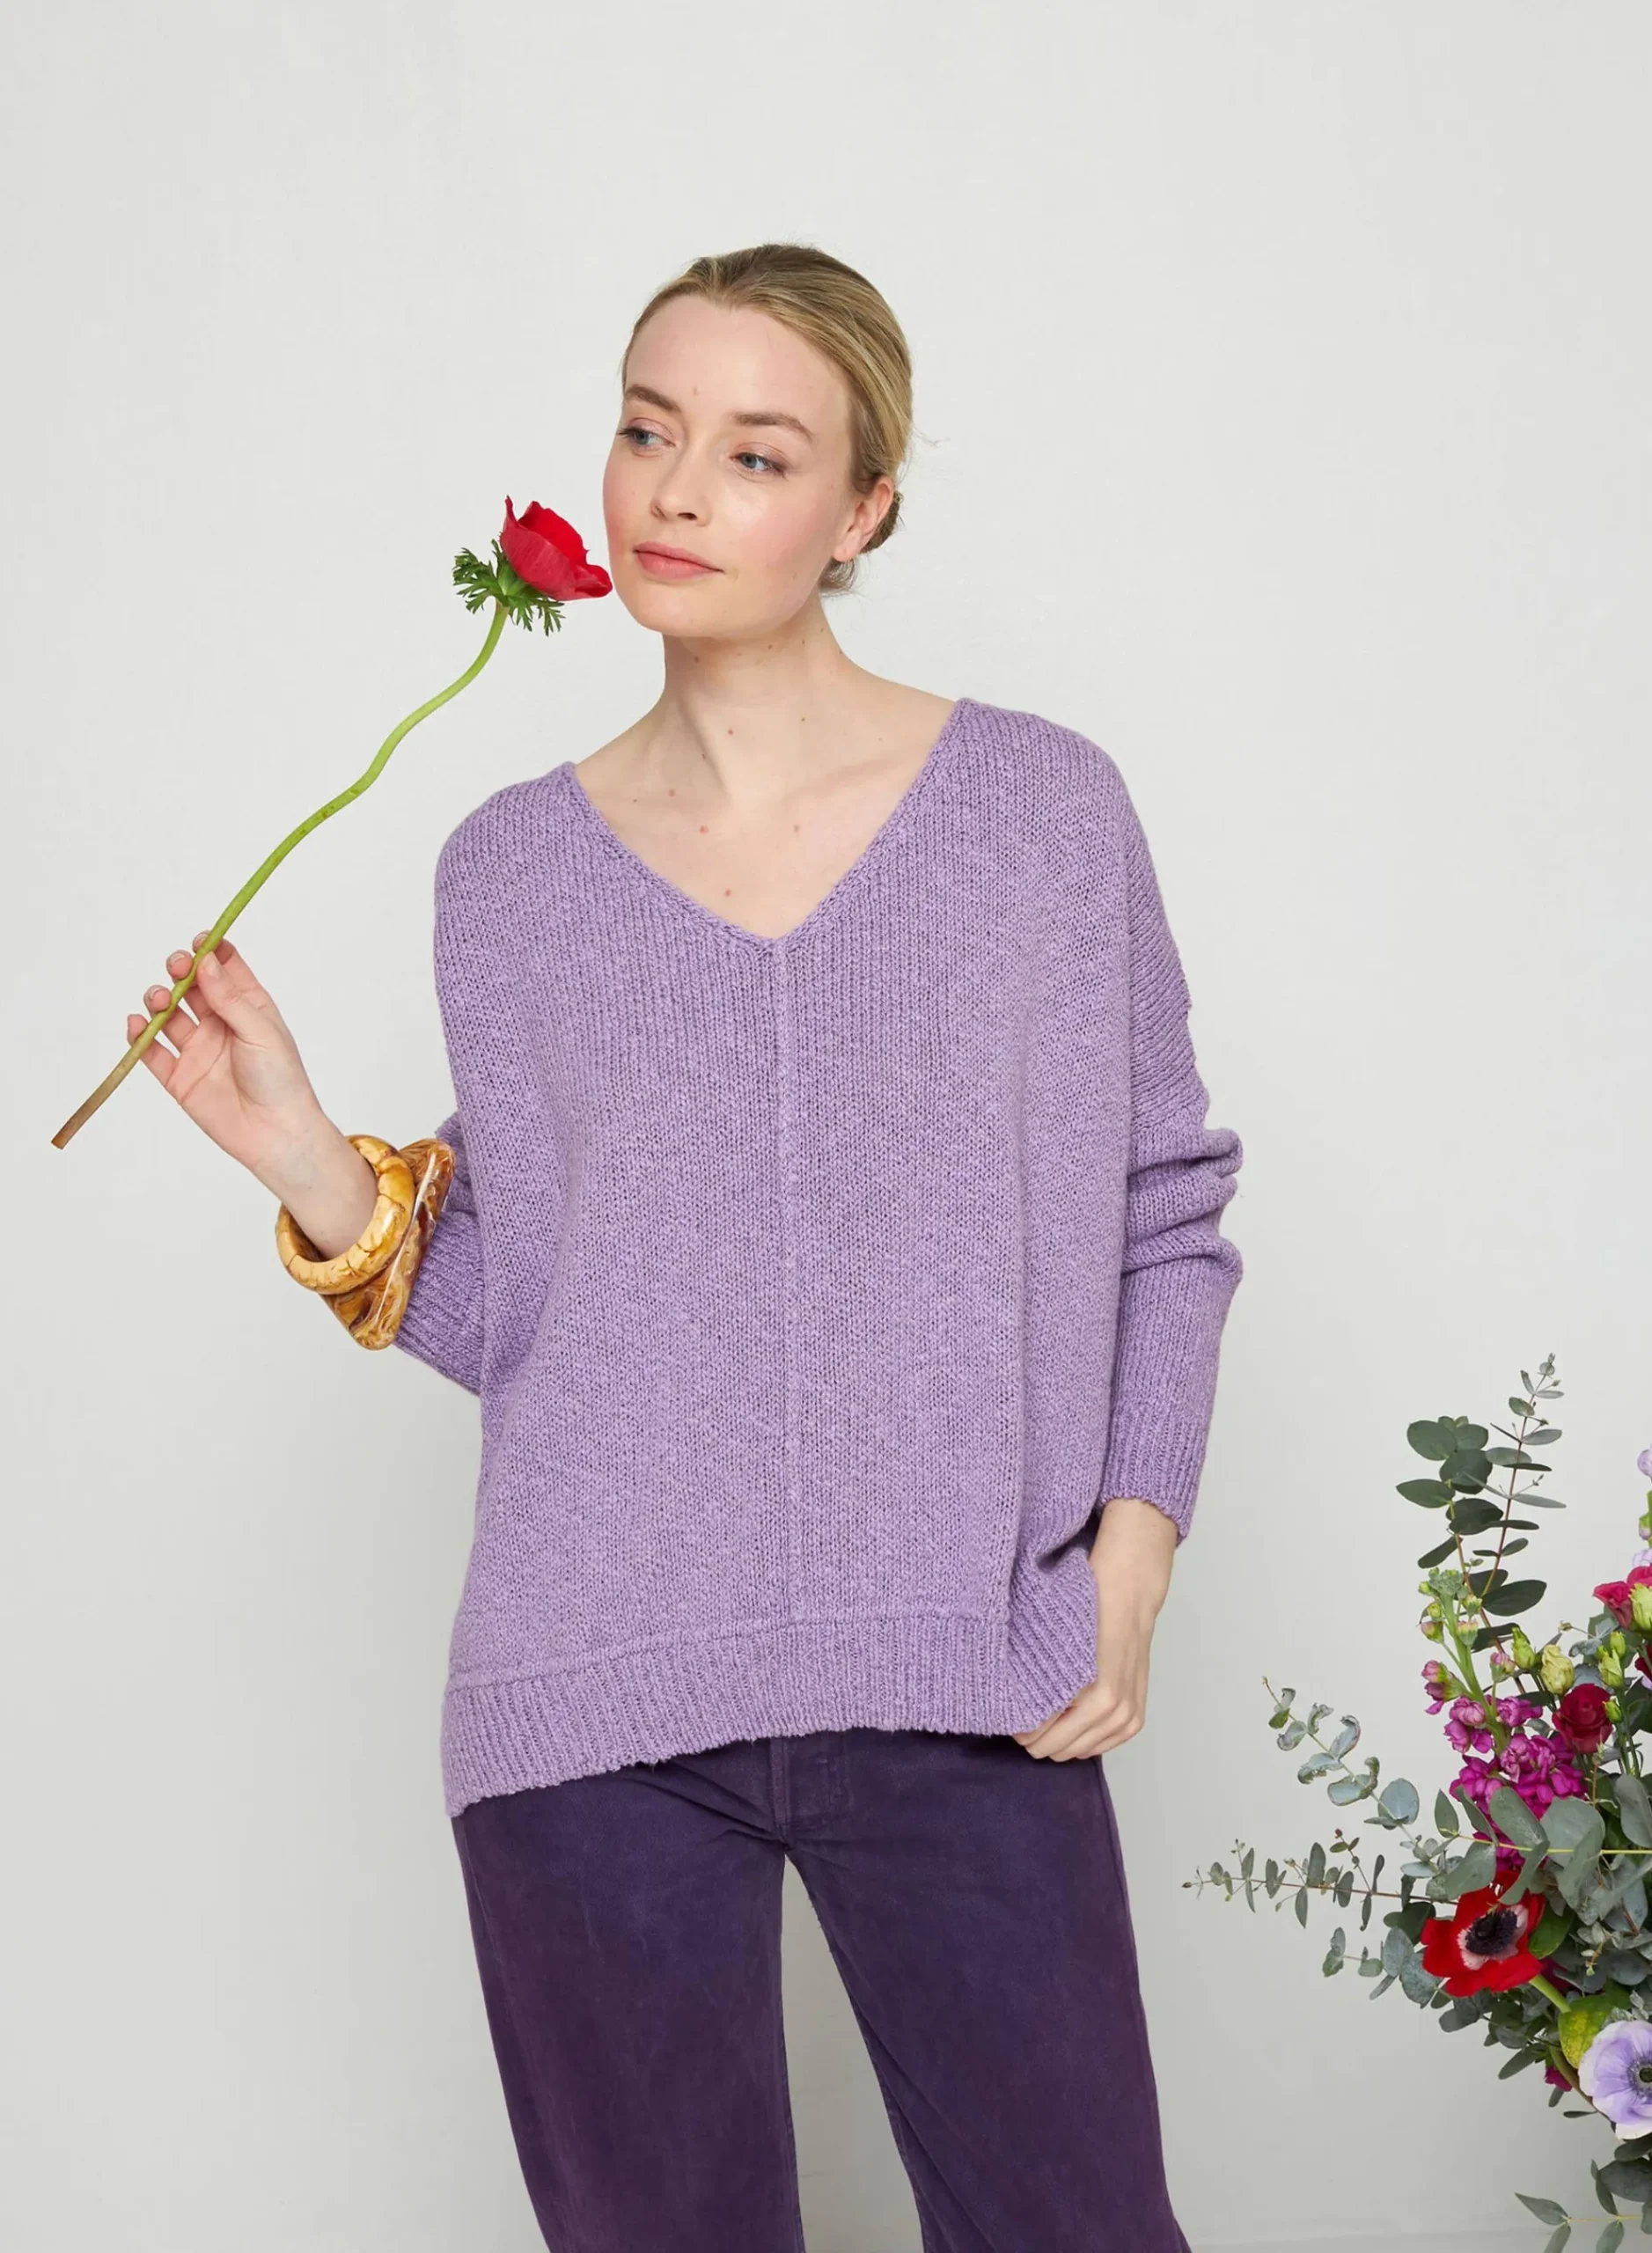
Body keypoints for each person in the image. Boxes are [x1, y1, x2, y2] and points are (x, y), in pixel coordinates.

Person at [133, 241, 1244, 2252]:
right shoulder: (506, 875)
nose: (671, 490)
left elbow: (1158, 1212)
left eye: (752, 453)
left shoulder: (1037, 815)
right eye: (648, 429)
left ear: (861, 511)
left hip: (962, 1668)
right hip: (586, 1710)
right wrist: (304, 1157)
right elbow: (549, 1315)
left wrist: (1131, 1559)